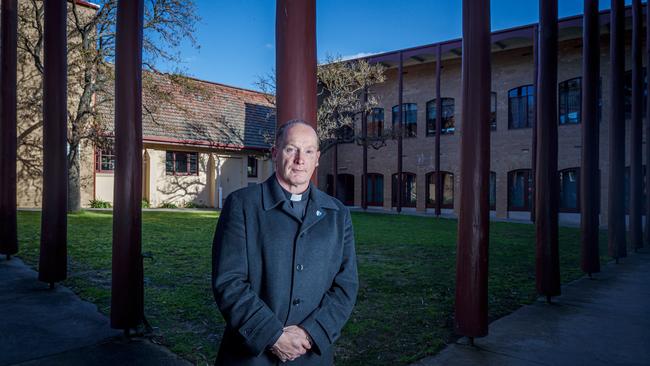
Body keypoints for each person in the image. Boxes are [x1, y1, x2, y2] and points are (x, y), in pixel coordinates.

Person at [212, 120, 359, 365]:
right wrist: (272, 336)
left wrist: (311, 333)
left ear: (317, 158)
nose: (301, 159)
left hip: (311, 354)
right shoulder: (242, 205)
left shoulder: (337, 213)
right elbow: (228, 281)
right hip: (251, 355)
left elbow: (346, 286)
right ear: (275, 153)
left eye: (309, 151)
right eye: (291, 149)